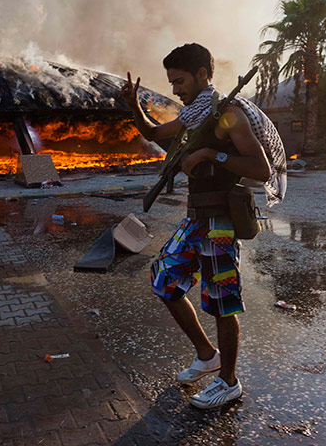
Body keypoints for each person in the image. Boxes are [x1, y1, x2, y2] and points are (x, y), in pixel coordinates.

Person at [121, 43, 285, 409]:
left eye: (179, 81)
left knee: (223, 304)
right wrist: (134, 105)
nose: (175, 89)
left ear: (202, 75)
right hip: (196, 219)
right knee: (164, 280)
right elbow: (153, 133)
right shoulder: (195, 115)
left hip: (221, 223)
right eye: (171, 82)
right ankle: (207, 354)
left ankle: (229, 382)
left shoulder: (228, 115)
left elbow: (261, 170)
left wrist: (212, 154)